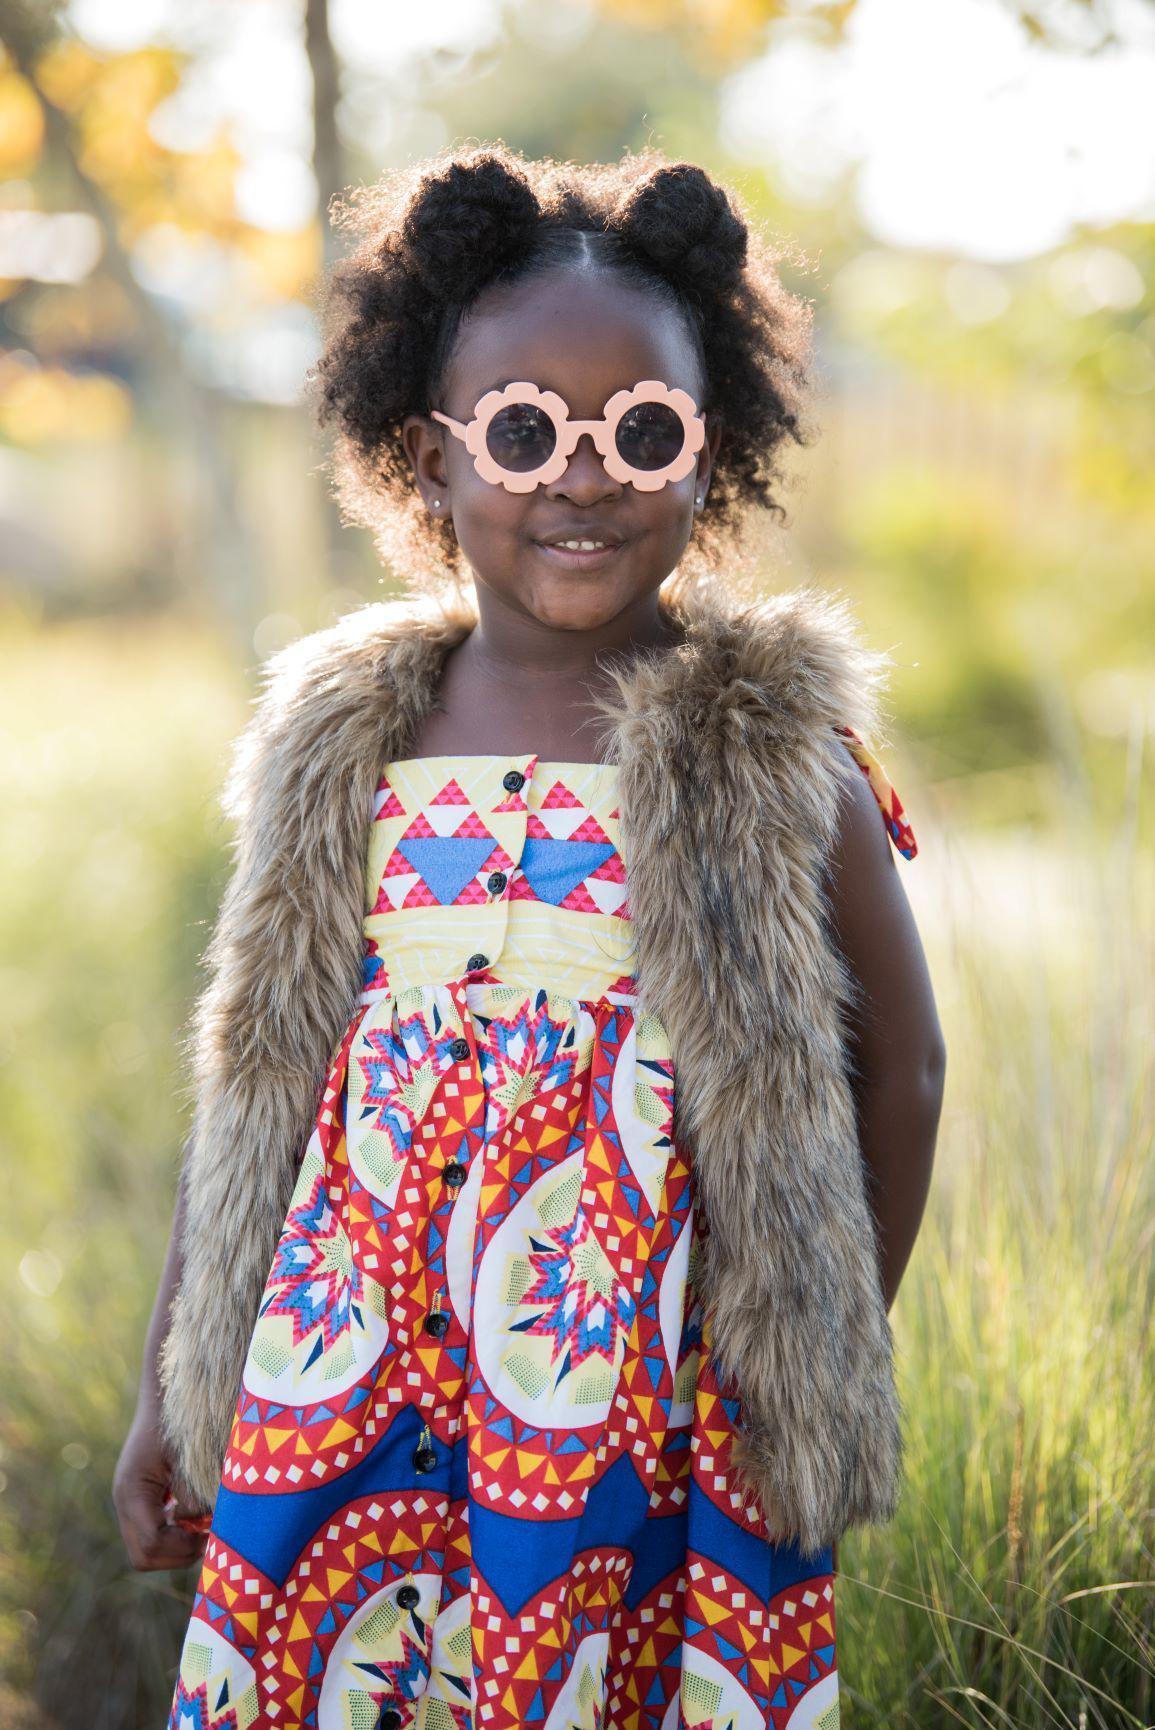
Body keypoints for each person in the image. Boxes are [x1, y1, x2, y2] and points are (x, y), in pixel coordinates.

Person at [114, 143, 945, 1729]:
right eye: (522, 431)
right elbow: (259, 1081)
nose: (582, 475)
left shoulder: (763, 747)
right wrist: (178, 1379)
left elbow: (900, 1069)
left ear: (716, 458)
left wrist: (805, 1375)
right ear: (429, 457)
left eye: (641, 431)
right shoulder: (345, 738)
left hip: (641, 1429)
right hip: (340, 1400)